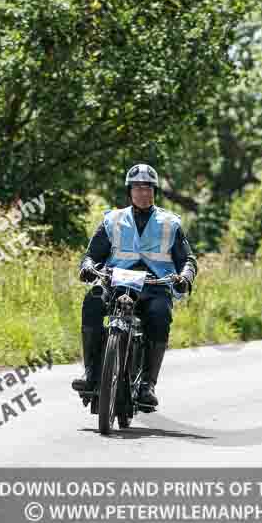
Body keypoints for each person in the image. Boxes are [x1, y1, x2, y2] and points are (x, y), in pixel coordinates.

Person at [71, 164, 198, 407]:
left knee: (160, 314)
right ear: (130, 191)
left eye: (149, 188)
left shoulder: (170, 223)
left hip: (154, 285)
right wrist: (87, 267)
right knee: (92, 301)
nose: (144, 192)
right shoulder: (112, 219)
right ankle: (91, 373)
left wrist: (185, 277)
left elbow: (187, 260)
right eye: (138, 188)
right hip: (116, 281)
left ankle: (147, 385)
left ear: (155, 192)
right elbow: (91, 255)